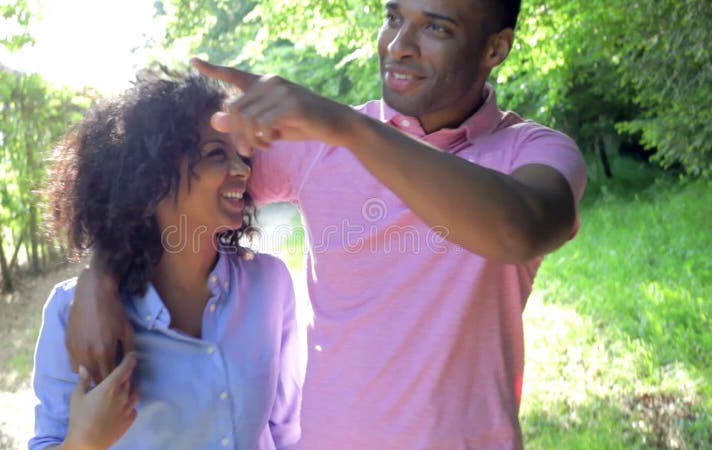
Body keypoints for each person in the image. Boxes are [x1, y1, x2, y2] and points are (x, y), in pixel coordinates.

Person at [67, 0, 587, 448]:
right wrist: (100, 275)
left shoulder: (533, 151)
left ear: (496, 48)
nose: (399, 45)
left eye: (436, 27)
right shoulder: (323, 143)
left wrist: (349, 129)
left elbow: (519, 230)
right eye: (393, 17)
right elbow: (166, 191)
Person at [30, 68, 302, 450]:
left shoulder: (270, 283)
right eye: (215, 154)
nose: (242, 169)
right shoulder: (72, 314)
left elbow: (287, 431)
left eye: (242, 155)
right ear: (151, 176)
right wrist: (84, 442)